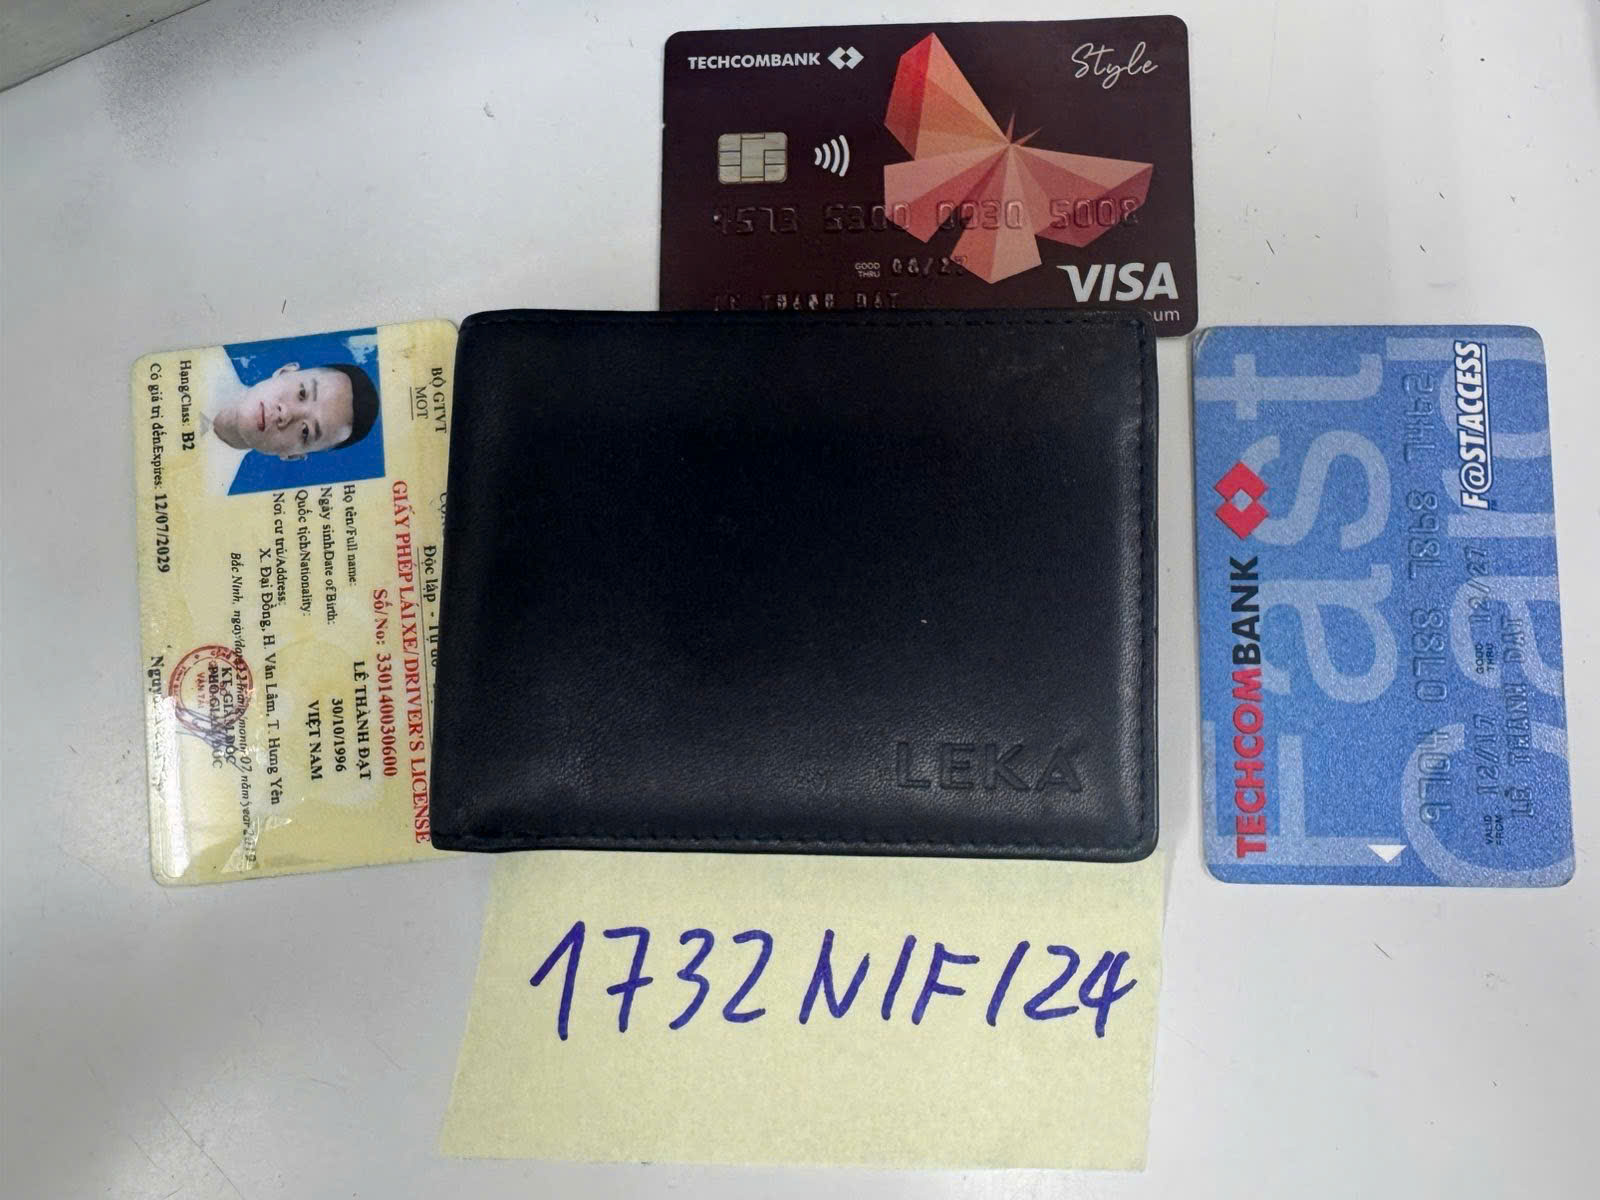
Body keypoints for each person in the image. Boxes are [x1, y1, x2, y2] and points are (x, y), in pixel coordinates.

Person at [203, 360, 380, 494]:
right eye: (302, 393)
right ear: (285, 371)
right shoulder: (205, 362)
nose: (286, 414)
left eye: (305, 431)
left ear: (292, 455)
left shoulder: (211, 493)